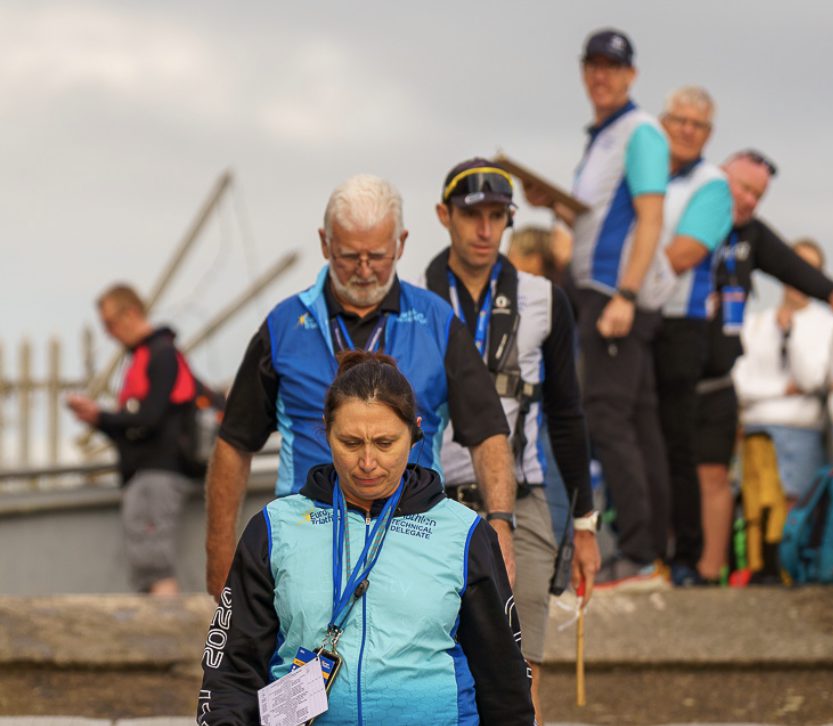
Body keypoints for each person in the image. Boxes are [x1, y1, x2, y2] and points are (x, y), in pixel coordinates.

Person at [205, 174, 517, 599]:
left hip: (416, 540)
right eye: (350, 256)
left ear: (402, 244)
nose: (365, 270)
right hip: (307, 542)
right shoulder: (282, 326)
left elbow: (488, 434)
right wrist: (220, 552)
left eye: (379, 256)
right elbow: (233, 443)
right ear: (324, 242)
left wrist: (500, 523)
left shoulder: (438, 321)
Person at [197, 351, 534, 725]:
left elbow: (505, 681)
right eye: (351, 442)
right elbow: (232, 669)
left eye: (386, 443)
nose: (368, 462)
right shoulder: (276, 527)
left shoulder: (464, 533)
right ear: (326, 430)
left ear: (415, 431)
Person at [424, 158, 601, 722]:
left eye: (497, 216)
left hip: (522, 505)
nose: (484, 230)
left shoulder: (545, 299)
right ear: (444, 217)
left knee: (519, 683)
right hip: (430, 506)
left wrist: (585, 525)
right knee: (433, 678)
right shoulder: (413, 299)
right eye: (472, 215)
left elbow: (568, 415)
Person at [524, 28, 671, 585]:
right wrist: (554, 206)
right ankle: (648, 549)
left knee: (608, 421)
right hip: (602, 291)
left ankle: (637, 551)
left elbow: (650, 218)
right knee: (632, 422)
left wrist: (627, 296)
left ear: (631, 75)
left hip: (615, 296)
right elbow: (600, 220)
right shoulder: (605, 137)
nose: (600, 76)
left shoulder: (640, 132)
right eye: (592, 66)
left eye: (611, 67)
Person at [694, 151, 833, 582]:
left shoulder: (751, 236)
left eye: (757, 195)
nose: (747, 201)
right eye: (741, 187)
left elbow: (790, 265)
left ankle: (712, 574)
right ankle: (677, 565)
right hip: (673, 374)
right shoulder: (684, 212)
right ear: (718, 176)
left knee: (721, 480)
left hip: (720, 385)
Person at [651, 86, 733, 585]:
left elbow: (683, 254)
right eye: (678, 120)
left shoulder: (713, 183)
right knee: (636, 441)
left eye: (696, 125)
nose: (685, 130)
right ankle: (645, 548)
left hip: (680, 324)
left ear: (708, 135)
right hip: (637, 320)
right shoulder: (641, 174)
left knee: (676, 445)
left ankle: (686, 554)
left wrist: (626, 279)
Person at [66, 284, 197, 596]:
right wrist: (98, 420)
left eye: (110, 323)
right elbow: (134, 429)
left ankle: (168, 637)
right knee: (145, 566)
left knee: (154, 562)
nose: (109, 333)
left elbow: (150, 418)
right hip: (144, 474)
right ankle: (159, 636)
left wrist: (102, 416)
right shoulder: (141, 357)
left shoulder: (162, 354)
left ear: (132, 313)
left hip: (159, 472)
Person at [733, 239, 833, 502]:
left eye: (811, 270)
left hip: (802, 431)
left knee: (796, 513)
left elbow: (812, 379)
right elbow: (739, 384)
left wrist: (791, 335)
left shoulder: (829, 326)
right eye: (797, 267)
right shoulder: (754, 324)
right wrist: (782, 389)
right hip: (754, 430)